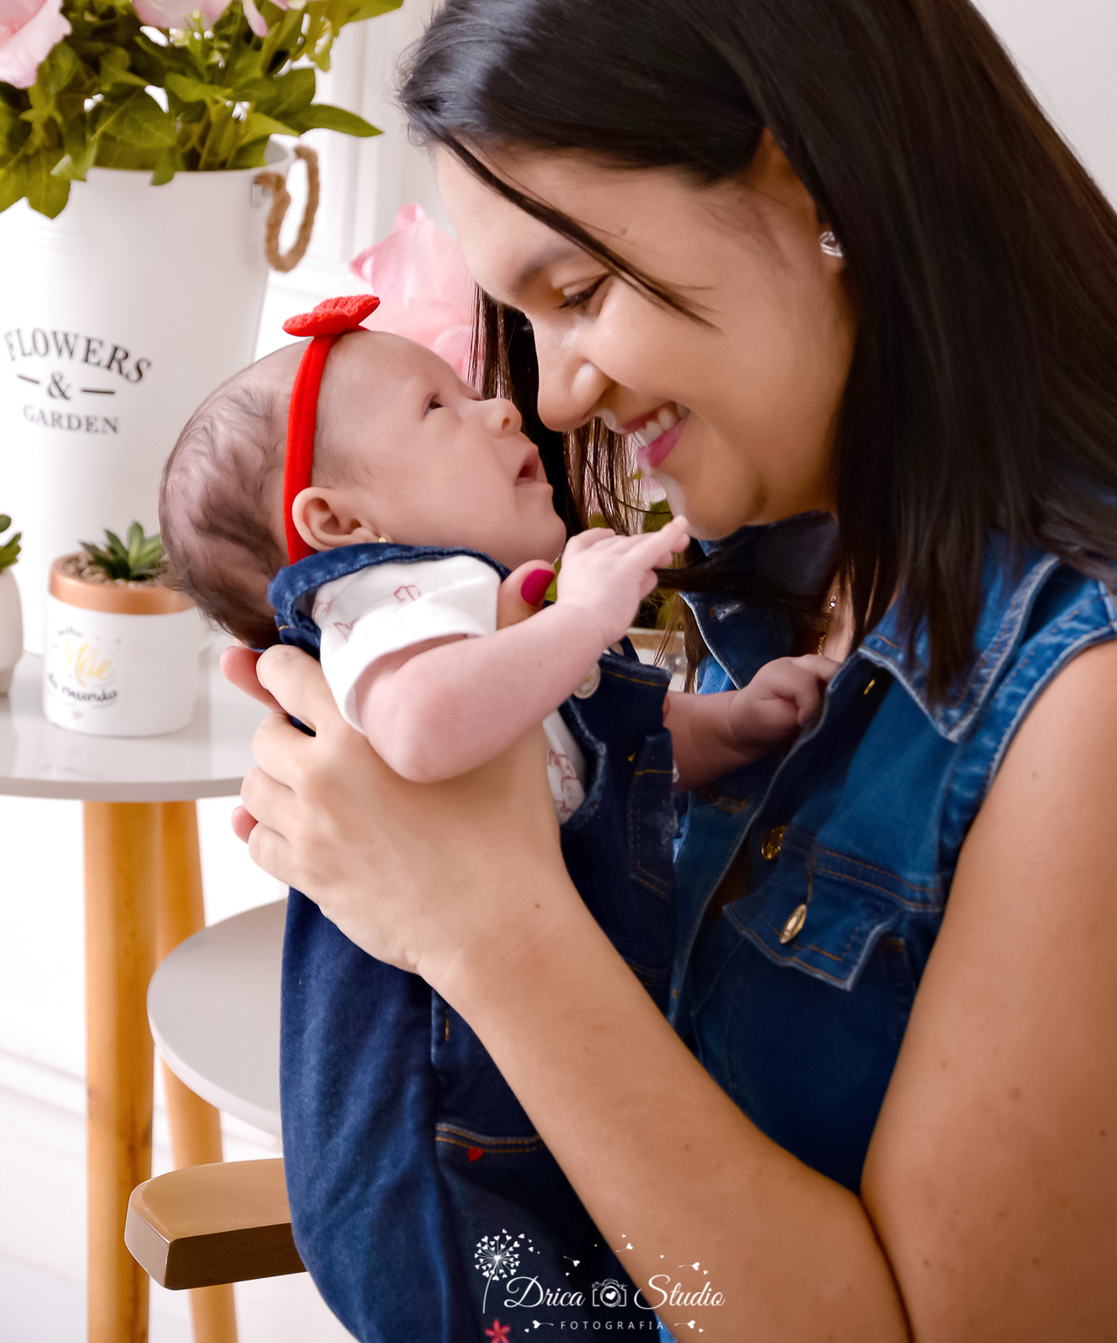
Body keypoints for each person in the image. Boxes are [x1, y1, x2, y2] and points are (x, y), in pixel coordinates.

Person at [224, 0, 1117, 1341]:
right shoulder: (773, 581)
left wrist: (486, 928)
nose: (548, 398)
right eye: (517, 323)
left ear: (805, 175)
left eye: (581, 290)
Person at [161, 297, 833, 1337]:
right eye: (440, 406)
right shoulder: (384, 606)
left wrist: (728, 727)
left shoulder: (487, 622)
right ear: (340, 524)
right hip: (433, 1145)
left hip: (530, 1119)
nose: (510, 414)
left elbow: (602, 749)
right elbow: (428, 730)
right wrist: (584, 616)